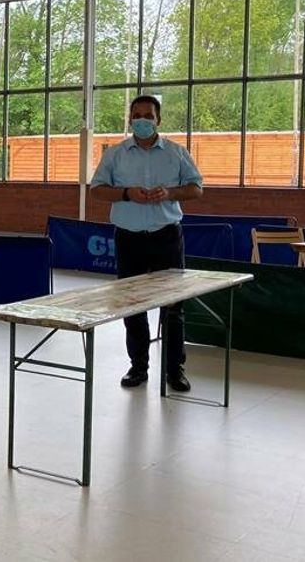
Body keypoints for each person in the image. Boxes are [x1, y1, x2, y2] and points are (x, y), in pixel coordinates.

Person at [90, 95, 203, 391]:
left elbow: (196, 188)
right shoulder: (115, 154)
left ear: (158, 120)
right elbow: (97, 190)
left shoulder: (177, 153)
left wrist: (170, 193)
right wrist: (127, 194)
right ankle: (138, 367)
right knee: (133, 305)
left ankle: (174, 369)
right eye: (137, 115)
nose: (142, 120)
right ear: (130, 120)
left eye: (148, 116)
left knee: (174, 307)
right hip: (129, 238)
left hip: (167, 236)